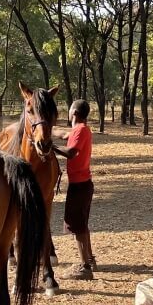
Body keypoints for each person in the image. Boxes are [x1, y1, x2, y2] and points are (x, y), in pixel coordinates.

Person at [53, 99, 96, 280]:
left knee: (77, 227)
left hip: (79, 186)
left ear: (74, 113)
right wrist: (47, 127)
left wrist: (49, 147)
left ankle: (85, 267)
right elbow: (62, 133)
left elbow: (71, 152)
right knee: (82, 224)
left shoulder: (80, 131)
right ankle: (90, 259)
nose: (68, 112)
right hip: (83, 184)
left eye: (70, 109)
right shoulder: (79, 130)